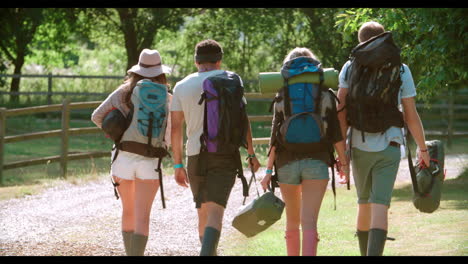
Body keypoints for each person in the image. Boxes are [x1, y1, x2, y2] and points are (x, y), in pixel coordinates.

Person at [336, 21, 431, 256]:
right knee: (380, 205)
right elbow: (410, 115)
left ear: (361, 41)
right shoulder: (401, 68)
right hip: (390, 144)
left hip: (358, 144)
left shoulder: (350, 67)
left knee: (363, 203)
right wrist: (423, 149)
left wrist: (341, 153)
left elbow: (340, 112)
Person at [170, 39, 261, 256]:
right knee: (216, 212)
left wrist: (177, 164)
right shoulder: (231, 80)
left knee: (202, 212)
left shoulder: (182, 86)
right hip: (225, 154)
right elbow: (243, 119)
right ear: (219, 61)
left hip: (195, 156)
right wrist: (251, 152)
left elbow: (175, 129)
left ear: (196, 61)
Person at [260, 47, 349, 256]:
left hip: (286, 163)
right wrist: (343, 163)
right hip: (317, 163)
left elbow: (275, 136)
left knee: (292, 221)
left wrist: (267, 171)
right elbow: (336, 134)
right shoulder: (326, 94)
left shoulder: (282, 95)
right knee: (309, 222)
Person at [91, 49, 172, 256]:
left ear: (137, 70)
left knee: (128, 210)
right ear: (161, 72)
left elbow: (97, 116)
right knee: (142, 215)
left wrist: (116, 133)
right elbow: (169, 135)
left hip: (123, 158)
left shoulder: (123, 92)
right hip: (150, 160)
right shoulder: (167, 97)